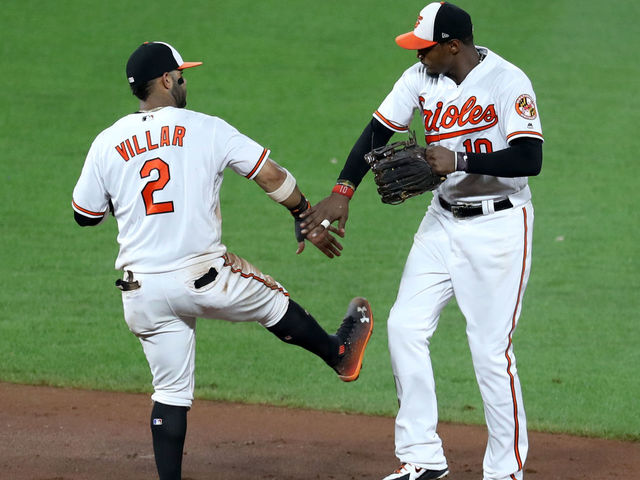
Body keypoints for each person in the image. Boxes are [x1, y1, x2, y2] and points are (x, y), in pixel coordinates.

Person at [71, 41, 373, 480]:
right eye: (181, 74)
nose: (185, 80)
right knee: (271, 301)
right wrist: (302, 213)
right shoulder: (206, 127)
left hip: (142, 291)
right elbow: (270, 176)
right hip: (204, 277)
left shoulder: (106, 142)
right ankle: (338, 353)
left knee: (170, 391)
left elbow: (85, 216)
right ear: (167, 80)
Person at [301, 3, 543, 479]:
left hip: (500, 228)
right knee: (405, 327)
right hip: (441, 221)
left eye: (425, 47)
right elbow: (377, 131)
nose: (418, 55)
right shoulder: (419, 78)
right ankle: (423, 460)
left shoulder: (508, 81)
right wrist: (341, 192)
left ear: (453, 46)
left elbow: (529, 157)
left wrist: (461, 160)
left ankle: (505, 472)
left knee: (491, 353)